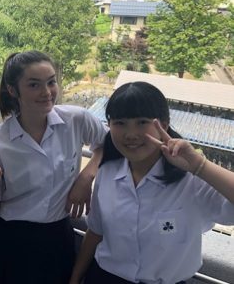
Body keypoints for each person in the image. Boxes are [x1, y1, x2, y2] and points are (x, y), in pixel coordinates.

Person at [70, 81, 234, 284]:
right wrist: (76, 277)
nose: (130, 134)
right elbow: (96, 231)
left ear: (163, 125)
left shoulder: (191, 181)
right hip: (104, 277)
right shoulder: (107, 172)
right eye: (120, 123)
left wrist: (200, 166)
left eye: (142, 122)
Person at [0, 51, 107, 284]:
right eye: (34, 85)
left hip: (56, 236)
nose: (47, 92)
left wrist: (86, 177)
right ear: (13, 90)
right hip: (8, 239)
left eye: (51, 82)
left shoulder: (76, 120)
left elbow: (107, 145)